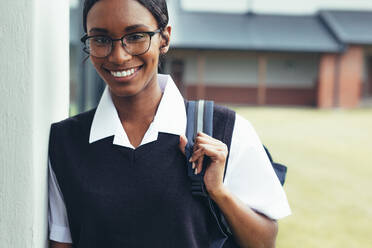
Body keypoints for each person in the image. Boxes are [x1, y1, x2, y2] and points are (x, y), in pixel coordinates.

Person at [48, 0, 291, 247]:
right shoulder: (66, 143)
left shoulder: (226, 131)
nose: (119, 56)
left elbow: (264, 243)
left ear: (164, 38)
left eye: (135, 36)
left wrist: (218, 191)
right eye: (100, 40)